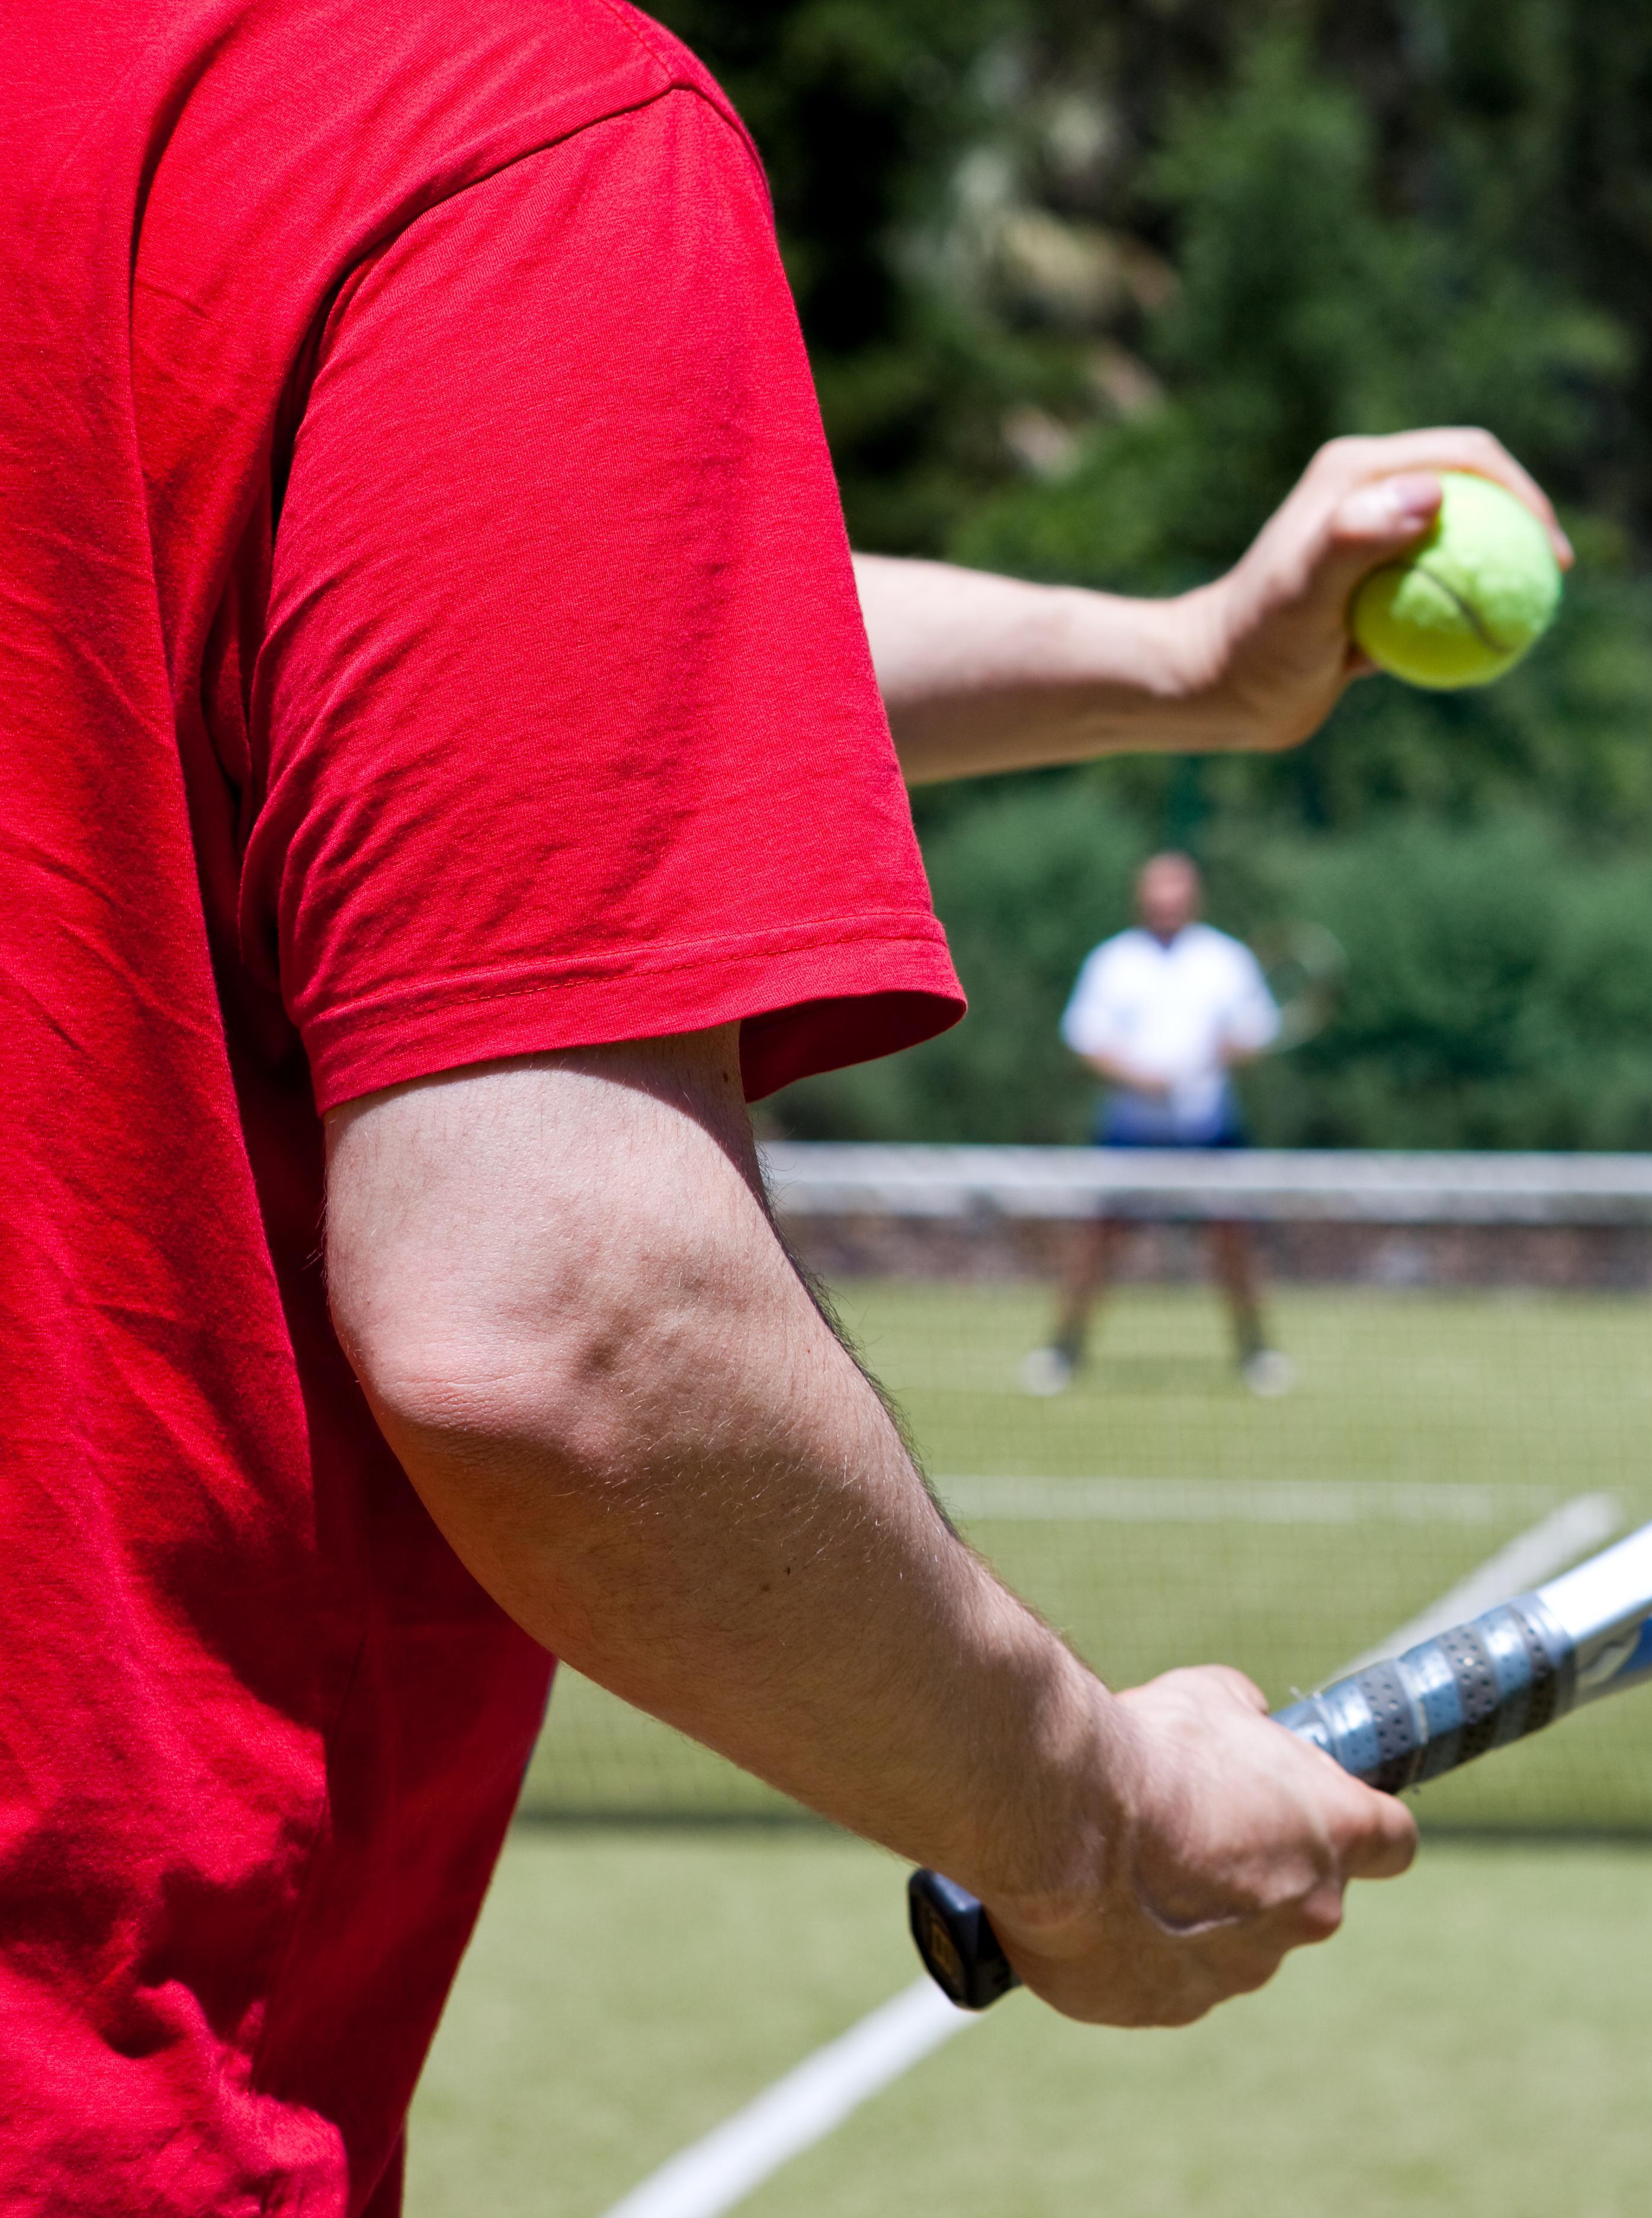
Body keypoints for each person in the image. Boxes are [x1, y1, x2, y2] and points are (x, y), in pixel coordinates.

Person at [0, 4, 1570, 2210]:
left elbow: (482, 626)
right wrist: (1084, 1818)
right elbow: (567, 1327)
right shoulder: (475, 110)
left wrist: (1173, 661)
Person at [1028, 853, 1297, 1398]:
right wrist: (1139, 1076)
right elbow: (1086, 1037)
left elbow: (1255, 1032)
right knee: (1097, 1242)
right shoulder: (1113, 961)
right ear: (1142, 901)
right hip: (1130, 1132)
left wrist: (1230, 1048)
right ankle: (1064, 1349)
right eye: (1157, 899)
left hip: (1210, 1131)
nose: (1166, 909)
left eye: (1176, 899)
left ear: (1193, 899)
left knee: (1233, 1242)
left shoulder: (1226, 959)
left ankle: (1255, 1350)